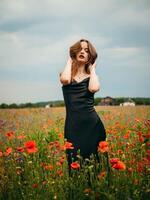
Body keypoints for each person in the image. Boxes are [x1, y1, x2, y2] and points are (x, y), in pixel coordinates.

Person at [59, 39, 107, 175]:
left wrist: (92, 70)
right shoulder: (66, 74)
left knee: (95, 163)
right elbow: (65, 80)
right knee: (74, 162)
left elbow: (93, 88)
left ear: (90, 57)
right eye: (80, 49)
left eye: (86, 51)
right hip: (73, 126)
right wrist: (70, 60)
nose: (82, 52)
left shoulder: (92, 76)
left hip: (92, 126)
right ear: (74, 52)